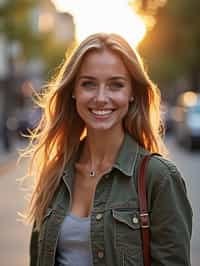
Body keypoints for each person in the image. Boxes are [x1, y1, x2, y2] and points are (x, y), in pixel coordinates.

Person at [26, 33, 192, 266]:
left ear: (132, 92)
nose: (101, 98)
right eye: (89, 84)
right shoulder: (55, 173)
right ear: (73, 90)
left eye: (116, 85)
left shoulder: (159, 177)